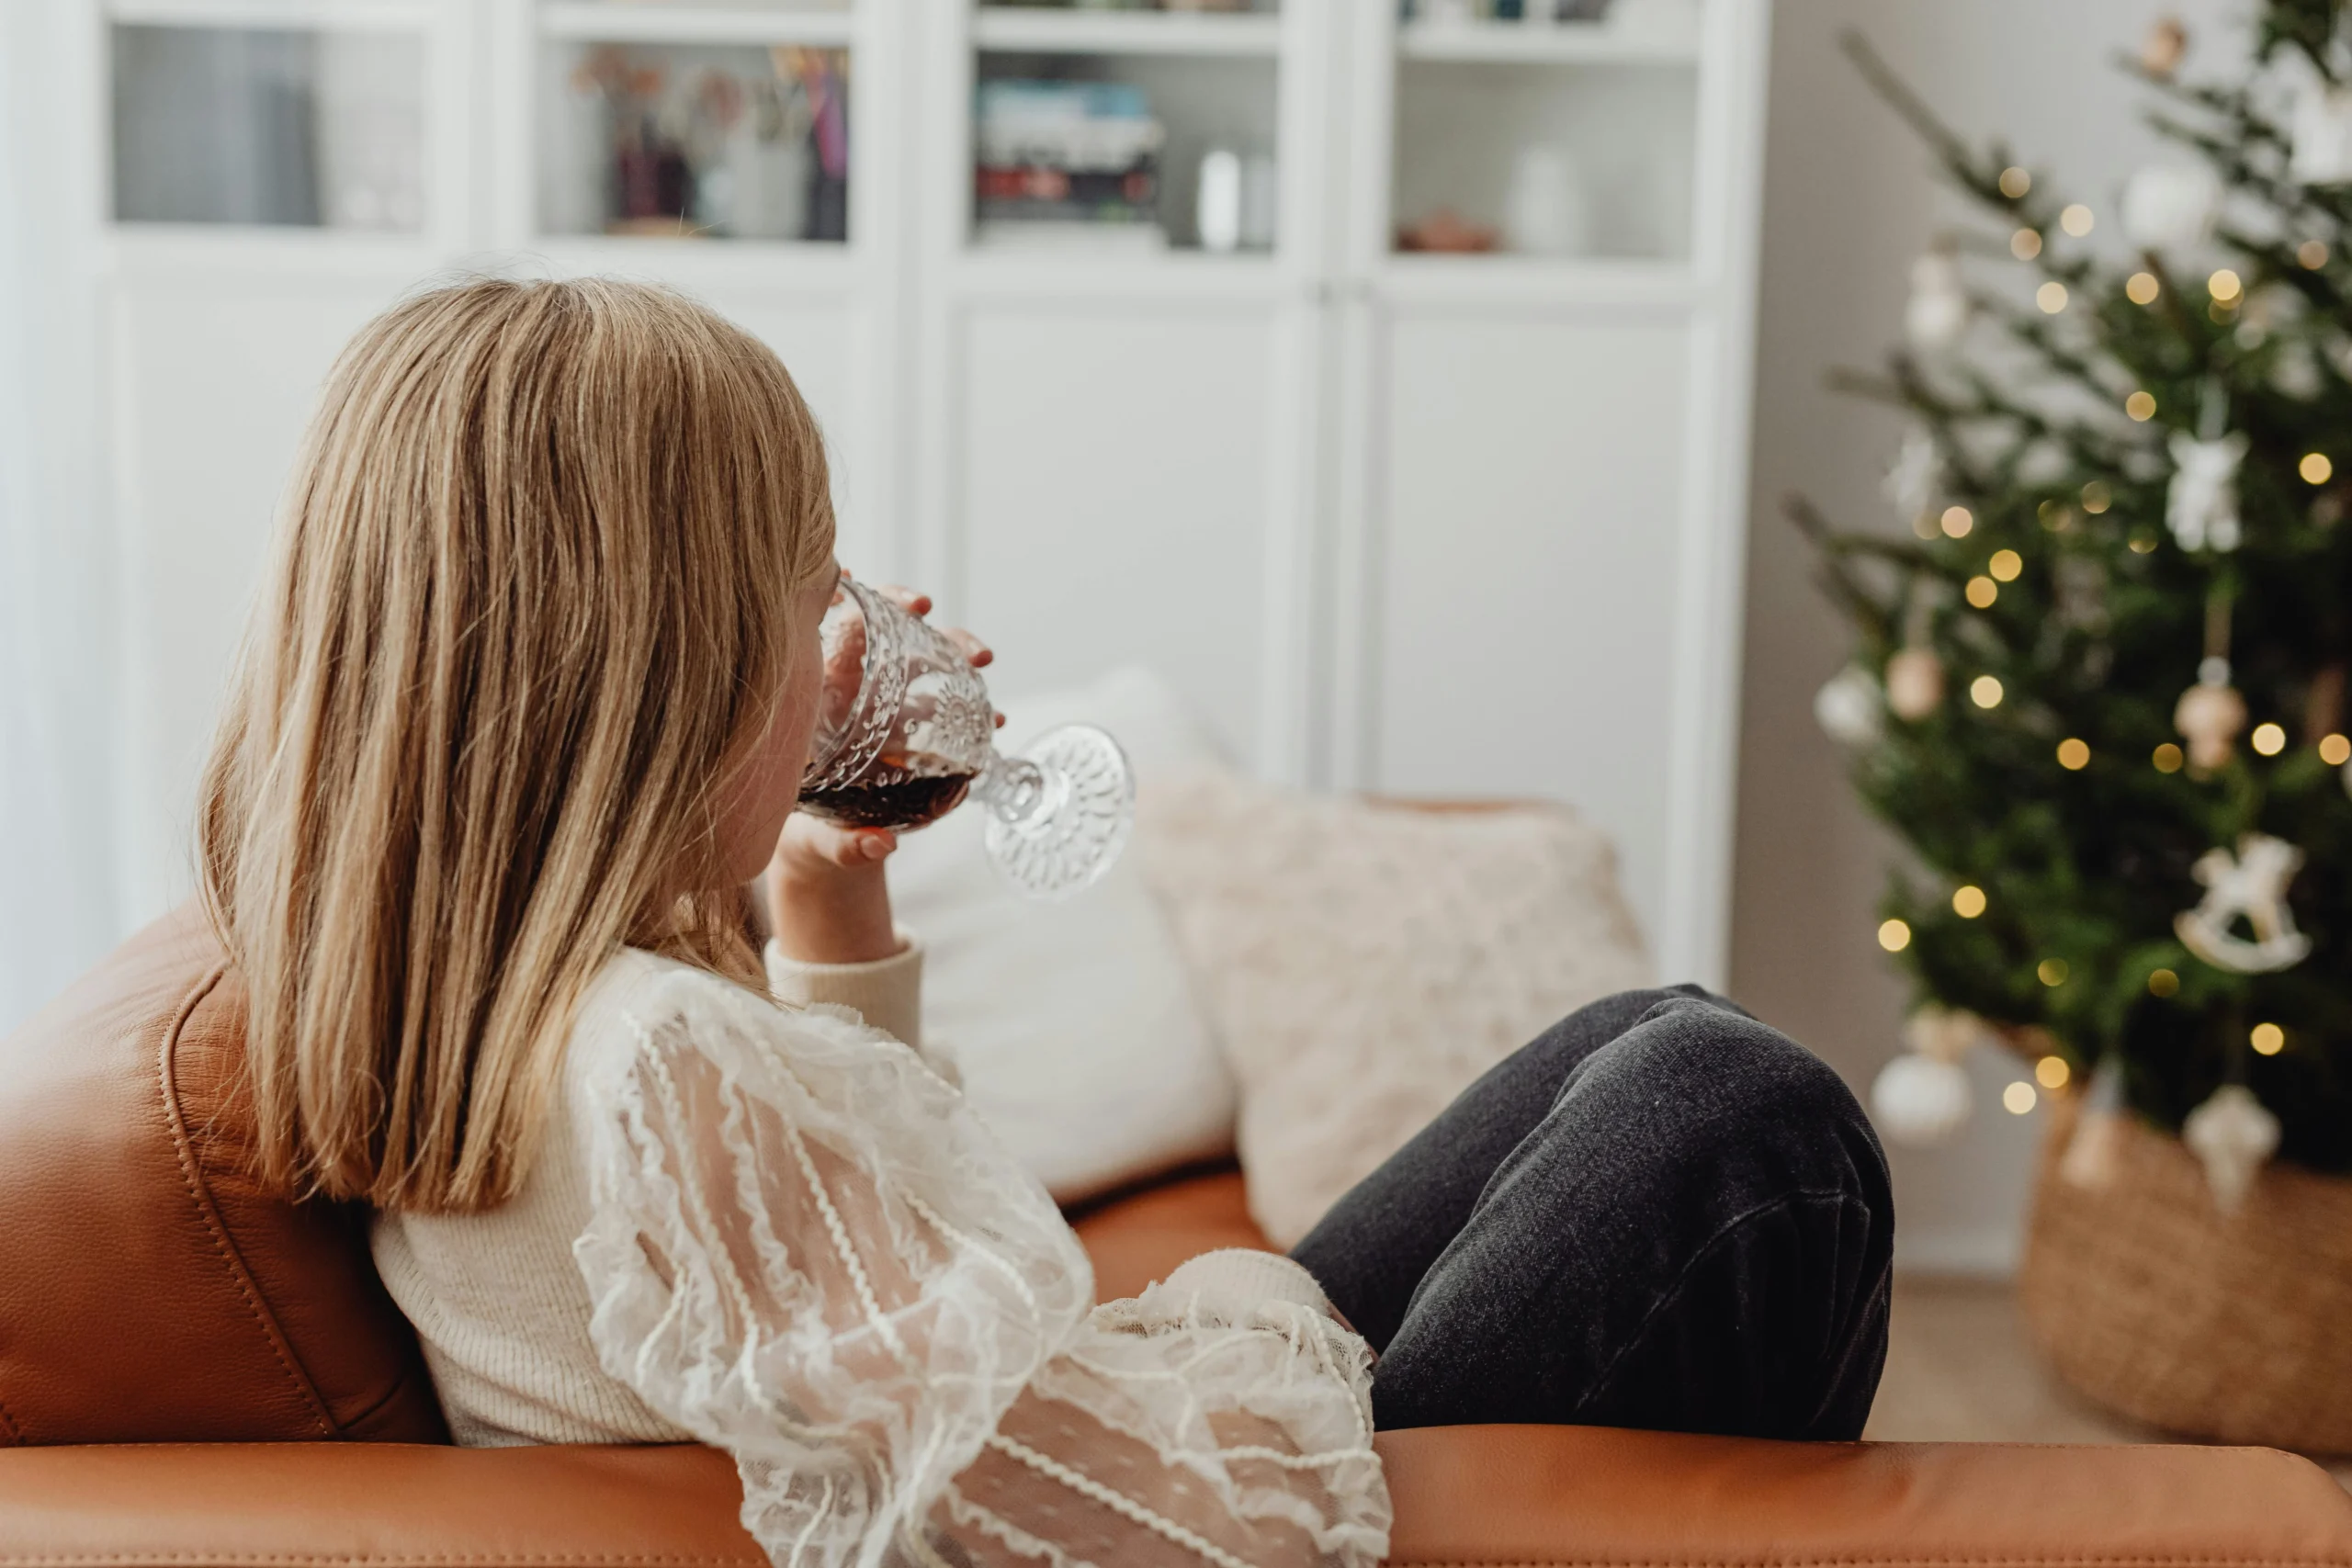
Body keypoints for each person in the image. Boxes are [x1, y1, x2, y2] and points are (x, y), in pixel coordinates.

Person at [196, 277, 1891, 1568]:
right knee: (1745, 1118)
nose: (843, 642)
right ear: (666, 666)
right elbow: (1129, 1520)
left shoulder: (497, 1000)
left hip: (1085, 1435)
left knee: (1646, 1039)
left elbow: (807, 1302)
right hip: (1185, 1506)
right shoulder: (659, 1060)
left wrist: (828, 881)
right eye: (810, 590)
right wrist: (1260, 1307)